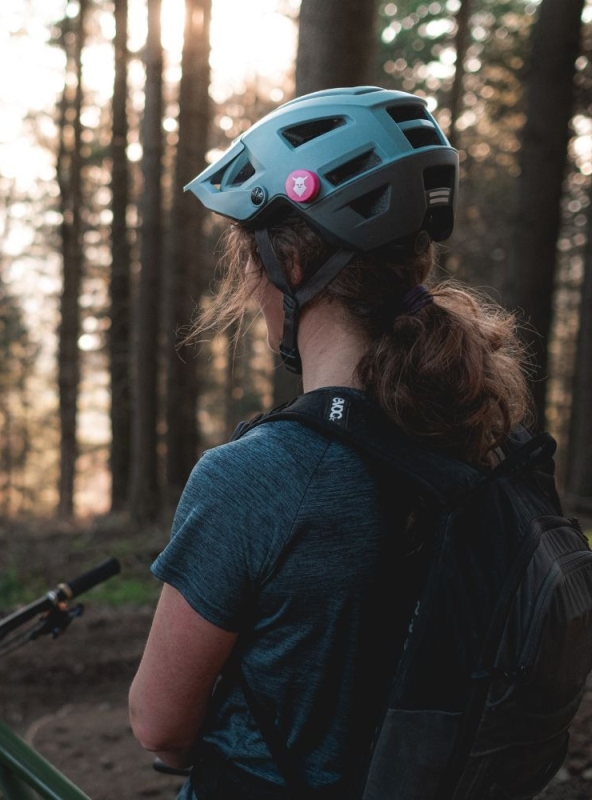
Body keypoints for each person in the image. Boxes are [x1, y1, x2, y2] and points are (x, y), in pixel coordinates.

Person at [129, 86, 530, 799]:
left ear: (287, 269)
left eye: (248, 260)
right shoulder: (477, 437)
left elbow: (160, 726)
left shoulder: (258, 477)